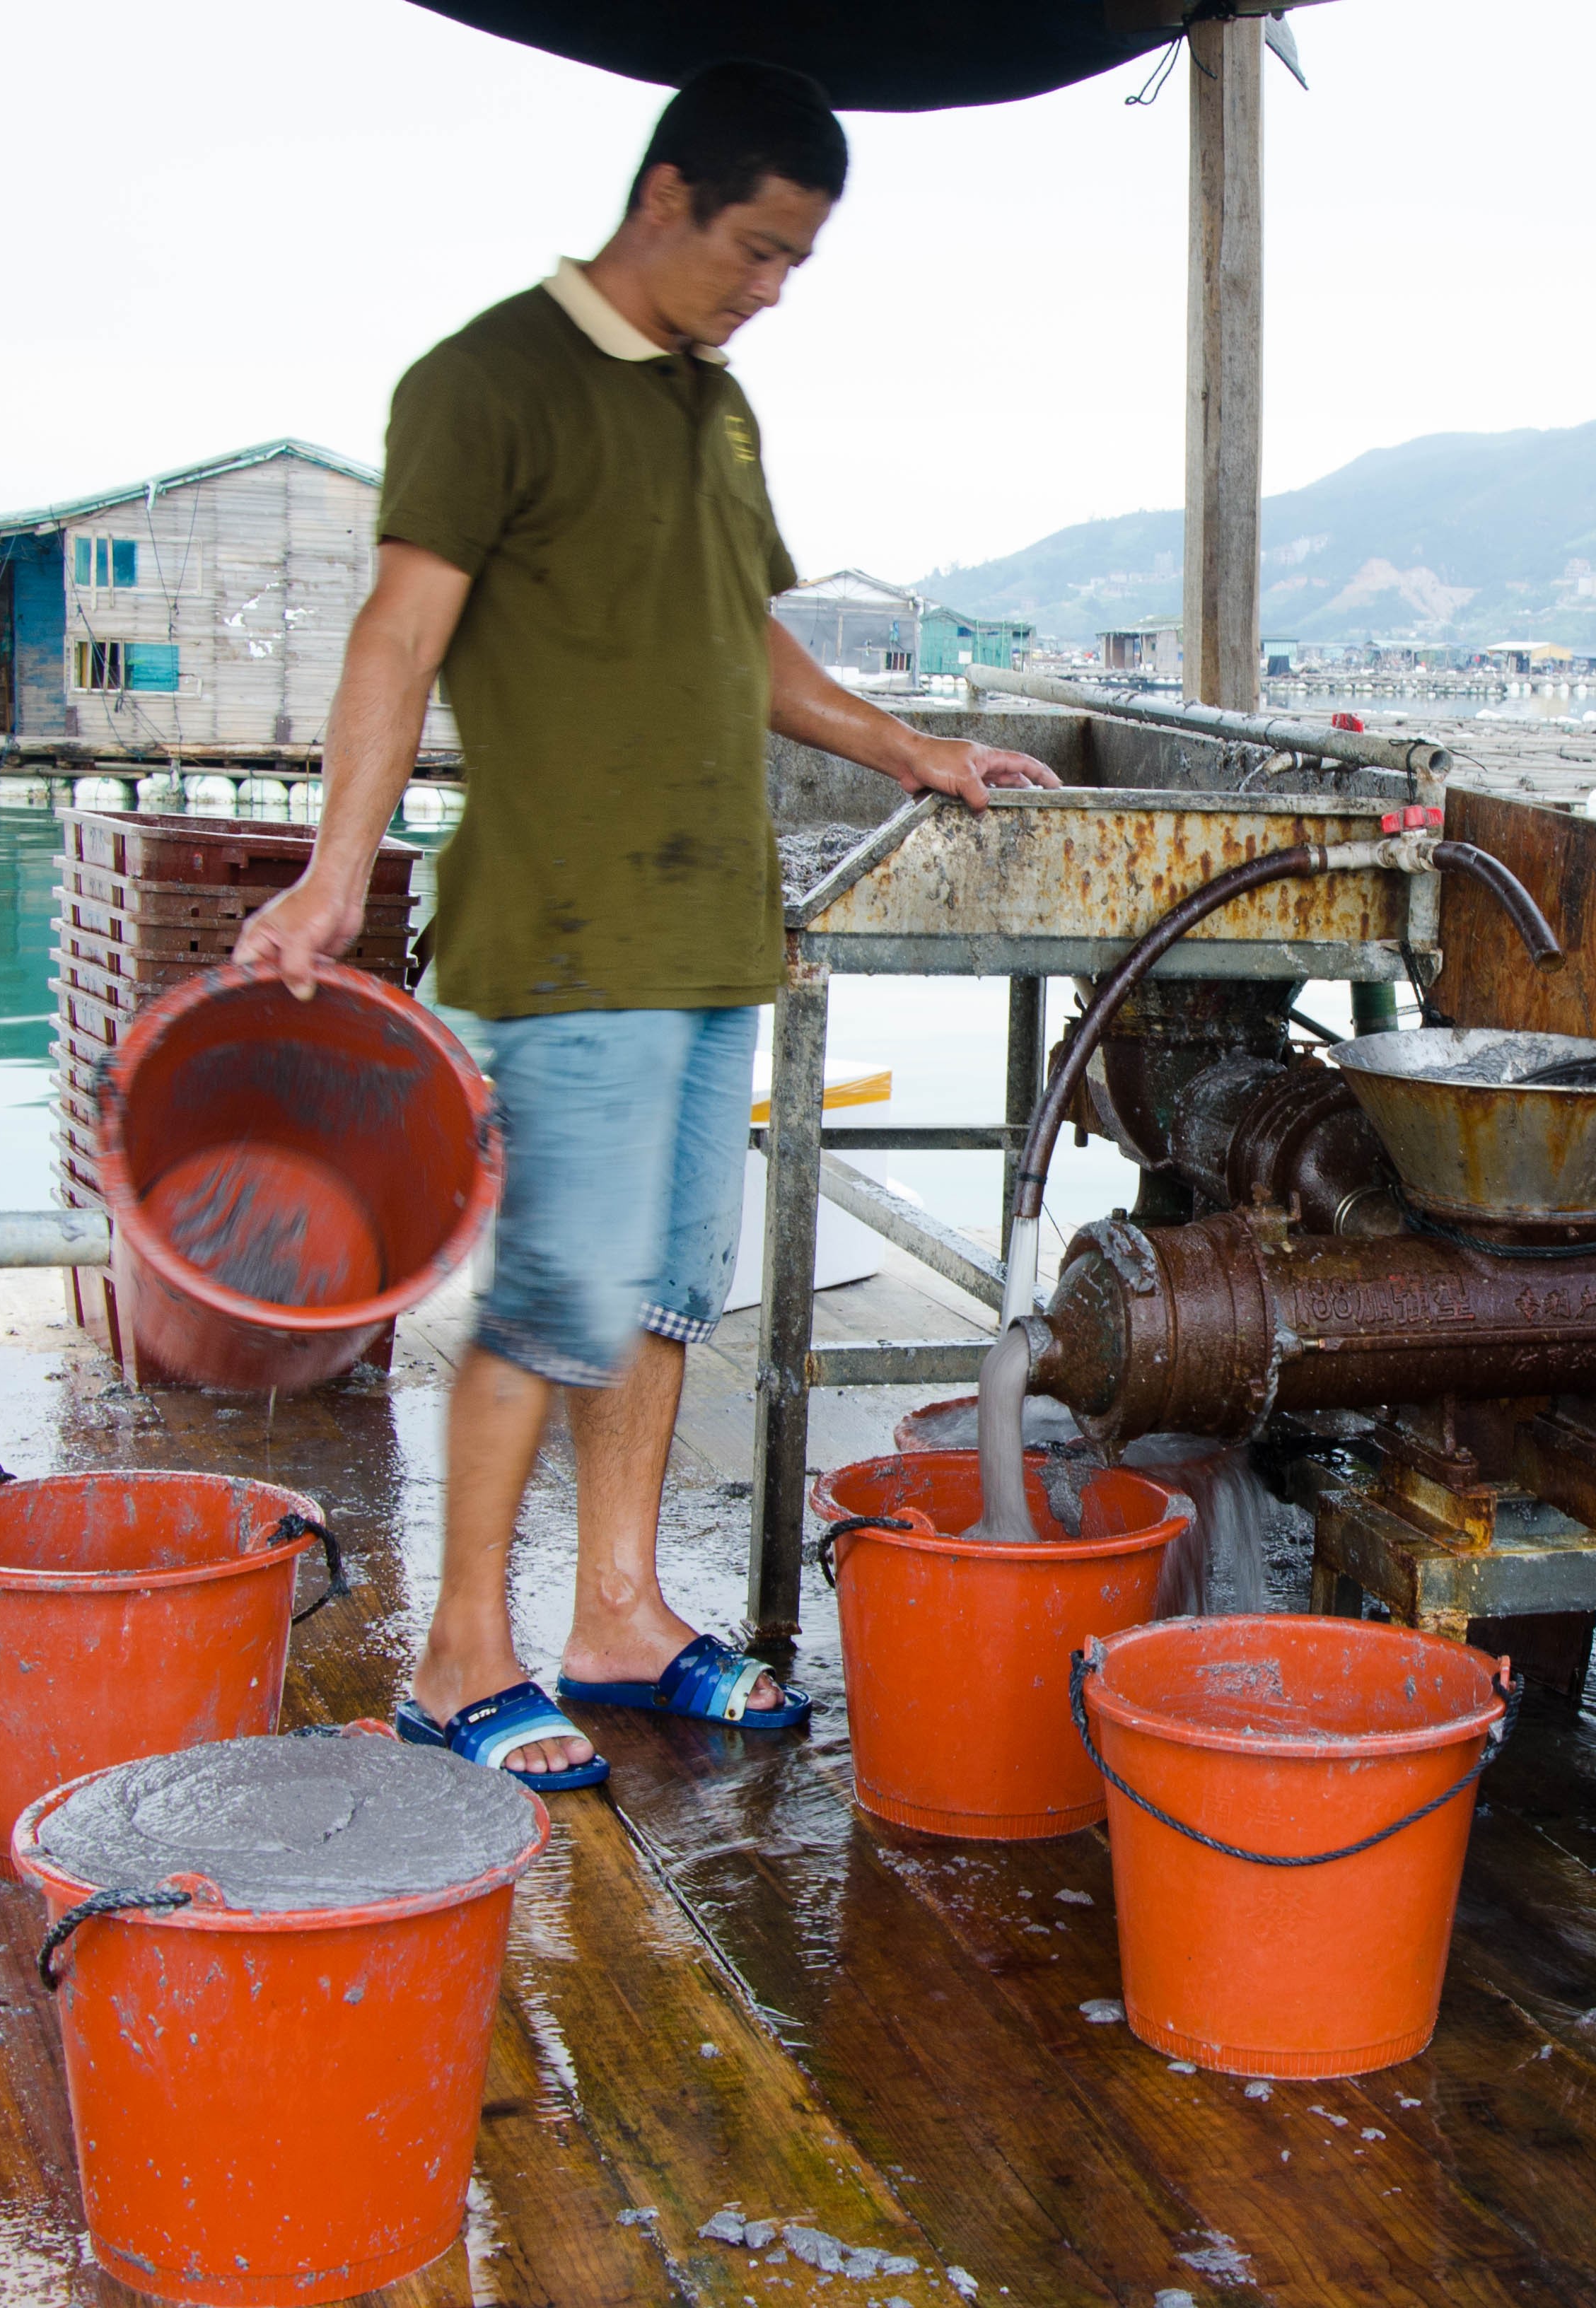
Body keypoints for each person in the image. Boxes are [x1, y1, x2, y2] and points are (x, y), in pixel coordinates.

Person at [234, 61, 1057, 1790]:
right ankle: (462, 1658)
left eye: (795, 269)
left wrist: (915, 749)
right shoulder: (486, 380)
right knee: (554, 1295)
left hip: (707, 926)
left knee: (671, 1293)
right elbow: (396, 636)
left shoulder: (714, 406)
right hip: (567, 926)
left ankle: (617, 1615)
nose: (767, 293)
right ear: (666, 195)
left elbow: (742, 637)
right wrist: (333, 872)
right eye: (754, 250)